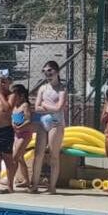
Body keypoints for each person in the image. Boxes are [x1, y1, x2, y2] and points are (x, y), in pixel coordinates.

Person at [30, 60, 67, 194]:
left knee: (53, 155)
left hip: (56, 124)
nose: (47, 74)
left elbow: (59, 107)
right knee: (38, 154)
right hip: (43, 123)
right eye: (45, 71)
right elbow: (36, 108)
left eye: (50, 71)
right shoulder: (42, 88)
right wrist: (50, 108)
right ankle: (34, 185)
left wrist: (46, 106)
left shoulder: (62, 89)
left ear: (57, 71)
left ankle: (52, 187)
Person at [10, 84, 35, 192]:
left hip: (24, 134)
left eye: (15, 96)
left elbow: (29, 120)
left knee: (14, 157)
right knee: (20, 158)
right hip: (17, 134)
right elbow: (12, 119)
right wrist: (13, 125)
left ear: (22, 96)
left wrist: (20, 127)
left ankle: (10, 182)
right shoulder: (14, 106)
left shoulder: (25, 105)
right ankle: (27, 181)